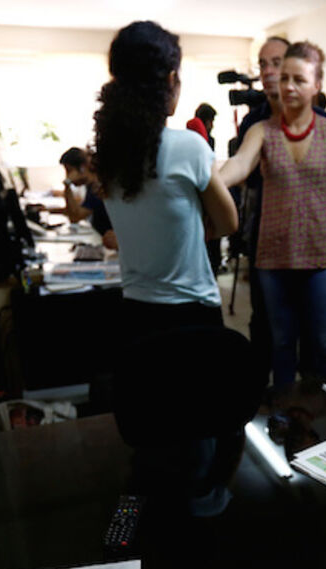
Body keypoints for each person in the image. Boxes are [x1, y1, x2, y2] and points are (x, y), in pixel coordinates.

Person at [220, 41, 326, 387]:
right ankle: (285, 413)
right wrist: (208, 179)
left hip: (323, 254)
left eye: (299, 79)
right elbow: (240, 164)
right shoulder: (261, 131)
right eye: (284, 78)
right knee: (282, 345)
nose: (289, 86)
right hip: (274, 256)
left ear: (317, 85)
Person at [91, 21, 237, 342]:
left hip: (136, 312)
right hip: (192, 311)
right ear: (171, 80)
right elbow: (228, 222)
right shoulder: (188, 147)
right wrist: (195, 224)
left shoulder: (107, 154)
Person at [59, 147, 117, 250]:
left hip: (113, 246)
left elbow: (75, 216)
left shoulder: (97, 187)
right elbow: (73, 215)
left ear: (82, 168)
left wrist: (67, 184)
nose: (68, 175)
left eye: (69, 171)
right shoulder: (91, 186)